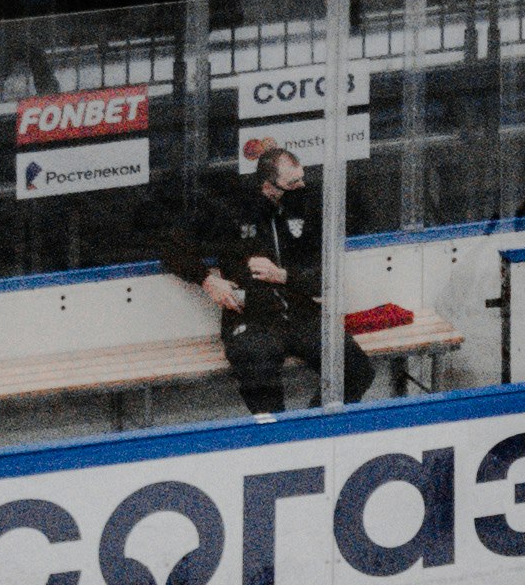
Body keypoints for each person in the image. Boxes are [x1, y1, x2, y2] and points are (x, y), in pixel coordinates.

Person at [156, 141, 376, 418]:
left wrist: (283, 276)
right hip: (251, 316)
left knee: (356, 369)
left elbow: (325, 278)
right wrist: (207, 281)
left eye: (302, 179)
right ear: (268, 185)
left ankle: (310, 429)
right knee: (258, 372)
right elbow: (170, 246)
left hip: (300, 312)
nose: (301, 187)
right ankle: (277, 438)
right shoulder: (231, 211)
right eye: (292, 183)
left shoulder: (309, 209)